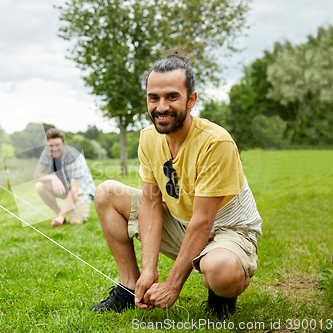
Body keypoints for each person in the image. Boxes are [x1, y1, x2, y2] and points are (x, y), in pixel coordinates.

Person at [89, 50, 262, 318]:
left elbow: (203, 221)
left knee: (221, 271)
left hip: (228, 229)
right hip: (182, 225)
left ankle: (223, 290)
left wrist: (172, 285)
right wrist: (149, 269)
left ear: (191, 100)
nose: (161, 107)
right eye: (153, 97)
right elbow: (150, 203)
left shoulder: (216, 143)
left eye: (172, 97)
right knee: (106, 193)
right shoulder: (148, 138)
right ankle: (130, 285)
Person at [33, 128, 96, 227]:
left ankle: (76, 213)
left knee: (75, 222)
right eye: (51, 145)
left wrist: (62, 215)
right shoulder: (46, 152)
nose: (54, 148)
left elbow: (74, 189)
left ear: (64, 143)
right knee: (40, 186)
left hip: (81, 191)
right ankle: (59, 215)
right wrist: (53, 178)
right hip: (64, 187)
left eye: (57, 145)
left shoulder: (75, 157)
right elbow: (36, 175)